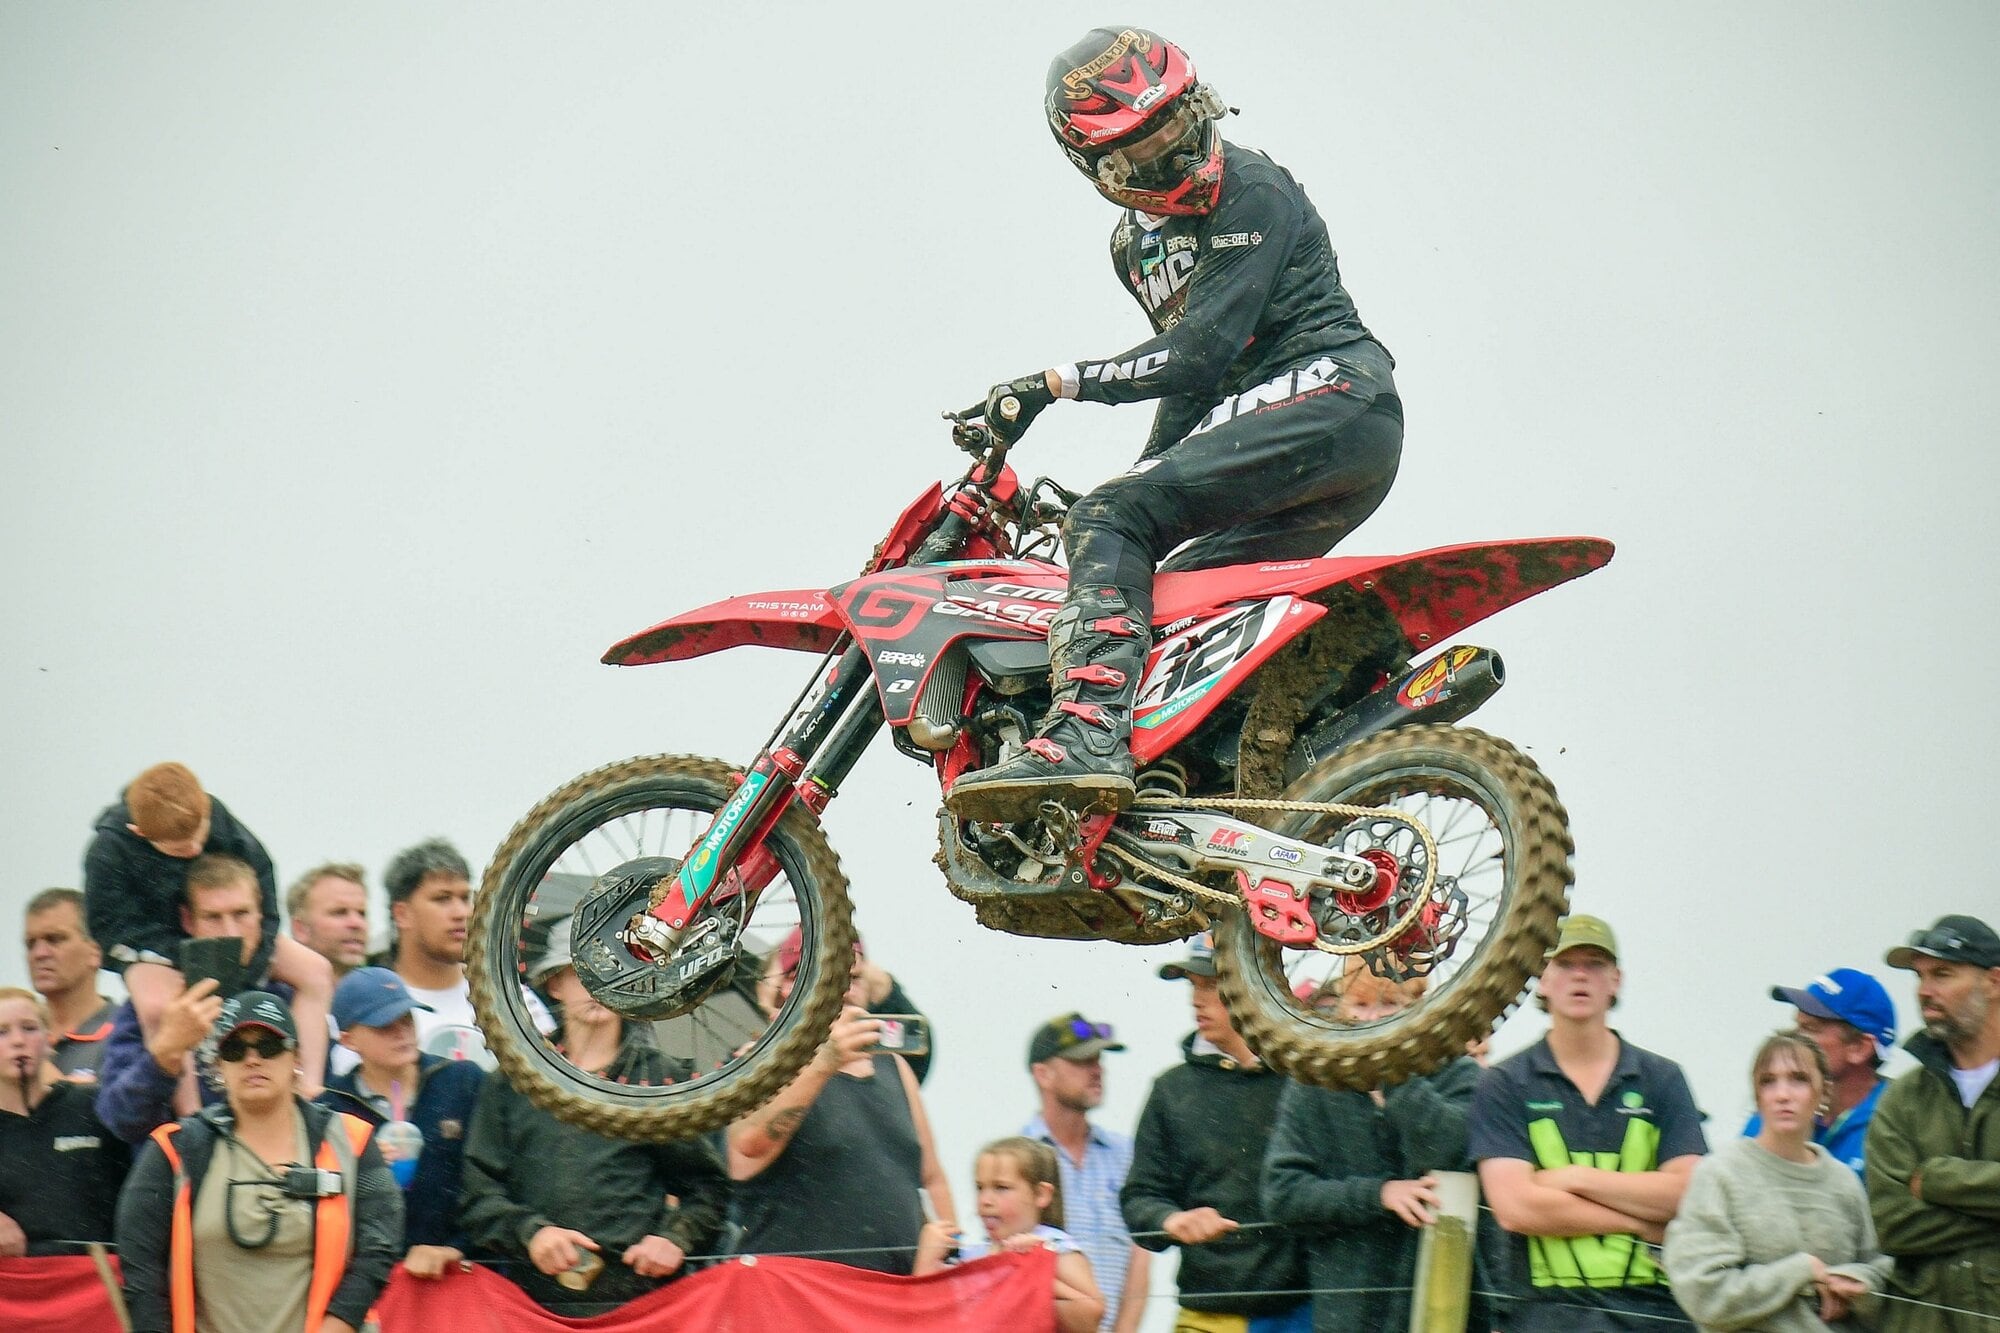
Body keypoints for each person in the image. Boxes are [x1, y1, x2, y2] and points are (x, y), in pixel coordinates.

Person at [945, 26, 1402, 822]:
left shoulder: (1253, 185)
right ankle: (1245, 762)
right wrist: (1130, 485)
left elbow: (1197, 354)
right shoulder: (1133, 247)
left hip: (1333, 392)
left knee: (1115, 517)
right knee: (1175, 589)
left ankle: (1086, 735)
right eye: (1152, 150)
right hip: (1302, 428)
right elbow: (1198, 392)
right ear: (1102, 170)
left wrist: (1059, 384)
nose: (1183, 156)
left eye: (1182, 127)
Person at [460, 923, 726, 1312]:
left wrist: (674, 1239)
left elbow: (709, 1190)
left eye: (617, 969)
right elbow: (477, 1195)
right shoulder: (513, 1083)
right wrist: (532, 1235)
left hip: (640, 1308)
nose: (601, 984)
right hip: (533, 1312)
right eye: (586, 970)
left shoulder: (659, 1081)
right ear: (554, 985)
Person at [1470, 914, 1709, 1330]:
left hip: (1656, 1316)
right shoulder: (1505, 1083)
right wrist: (1640, 1220)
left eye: (1595, 964)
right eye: (1564, 964)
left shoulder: (1663, 1079)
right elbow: (1516, 1208)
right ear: (1541, 979)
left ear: (1616, 980)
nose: (1580, 975)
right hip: (1544, 1317)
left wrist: (1572, 1178)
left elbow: (1687, 1192)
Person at [115, 990, 400, 1333]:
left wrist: (337, 1325)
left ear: (295, 1057)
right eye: (235, 1050)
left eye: (268, 1046)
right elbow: (141, 1272)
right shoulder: (173, 1149)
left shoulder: (353, 1141)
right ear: (218, 1065)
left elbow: (380, 1247)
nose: (252, 1060)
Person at [83, 763, 334, 1095]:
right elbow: (106, 931)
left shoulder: (214, 813)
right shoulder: (108, 853)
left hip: (222, 921)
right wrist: (176, 956)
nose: (195, 850)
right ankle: (189, 1114)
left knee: (317, 971)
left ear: (203, 806)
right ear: (140, 832)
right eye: (180, 848)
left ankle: (307, 1087)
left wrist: (251, 963)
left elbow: (264, 887)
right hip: (150, 944)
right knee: (159, 1007)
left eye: (199, 835)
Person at [1262, 963, 1485, 1333]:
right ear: (1341, 1007)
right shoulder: (1313, 1085)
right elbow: (1281, 1195)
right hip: (1349, 1317)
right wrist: (1378, 1194)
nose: (1373, 1021)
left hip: (1445, 1311)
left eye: (1388, 1007)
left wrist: (1394, 1078)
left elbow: (1446, 1153)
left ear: (1417, 1009)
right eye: (1361, 1006)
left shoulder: (1459, 1073)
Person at [728, 943, 954, 1275]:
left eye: (856, 977)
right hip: (801, 1295)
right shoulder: (759, 1060)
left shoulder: (894, 1066)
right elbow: (747, 1146)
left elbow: (932, 1178)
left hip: (891, 1294)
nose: (846, 989)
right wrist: (823, 1063)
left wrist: (951, 1252)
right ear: (788, 989)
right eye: (831, 977)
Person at [1123, 935, 1309, 1331]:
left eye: (1211, 984)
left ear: (1259, 987)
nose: (1196, 999)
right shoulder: (1171, 1090)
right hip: (1207, 1312)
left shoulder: (1305, 1082)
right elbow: (1140, 1198)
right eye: (1193, 984)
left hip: (1301, 1313)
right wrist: (1172, 1220)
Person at [1664, 1031, 1891, 1331]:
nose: (1783, 1094)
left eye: (1798, 1079)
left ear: (1823, 1092)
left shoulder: (1843, 1182)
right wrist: (1801, 1271)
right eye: (1768, 1081)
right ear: (1757, 1096)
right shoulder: (1720, 1173)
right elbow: (1703, 1292)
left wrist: (1857, 1284)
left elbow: (1882, 1272)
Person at [1865, 913, 2000, 1330]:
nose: (1925, 991)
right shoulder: (1902, 1100)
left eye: (1943, 973)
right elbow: (1893, 1225)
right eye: (1920, 977)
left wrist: (1937, 1180)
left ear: (1994, 982)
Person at [95, 855, 274, 1143]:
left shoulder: (286, 997)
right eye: (213, 917)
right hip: (185, 1177)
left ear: (260, 914)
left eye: (241, 914)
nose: (230, 931)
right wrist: (167, 1051)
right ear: (188, 920)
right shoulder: (149, 1004)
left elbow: (325, 1100)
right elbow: (119, 1118)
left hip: (279, 1176)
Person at [322, 966, 483, 1280]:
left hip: (460, 1274)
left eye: (408, 1018)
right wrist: (363, 1166)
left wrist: (457, 1247)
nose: (402, 1032)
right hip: (370, 1283)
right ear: (348, 1039)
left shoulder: (462, 1081)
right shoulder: (331, 1108)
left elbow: (492, 1179)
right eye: (384, 1025)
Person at [1024, 1012, 1148, 1333]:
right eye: (1081, 1061)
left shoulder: (1126, 1154)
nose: (1097, 1070)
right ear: (1043, 1074)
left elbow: (1141, 1256)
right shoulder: (1018, 1160)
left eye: (1098, 1060)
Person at [381, 838, 551, 1060]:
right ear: (402, 914)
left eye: (465, 898)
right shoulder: (376, 1009)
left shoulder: (515, 1001)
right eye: (442, 899)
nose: (462, 913)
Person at [915, 1136, 1106, 1333]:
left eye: (1001, 1188)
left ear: (1041, 1195)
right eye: (980, 1188)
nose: (985, 1200)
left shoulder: (1056, 1246)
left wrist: (1034, 1267)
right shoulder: (971, 1256)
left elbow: (1090, 1316)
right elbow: (925, 1318)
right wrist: (926, 1261)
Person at [0, 986, 129, 1256]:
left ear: (49, 1040)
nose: (18, 1041)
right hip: (16, 1289)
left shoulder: (93, 1104)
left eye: (29, 1028)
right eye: (2, 1032)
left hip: (98, 1279)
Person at [1742, 966, 1897, 1182]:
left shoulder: (1899, 1122)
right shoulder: (1775, 1112)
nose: (1795, 1040)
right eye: (1797, 1026)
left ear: (1859, 1048)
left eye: (1811, 1029)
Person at [758, 926, 937, 1083]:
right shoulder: (752, 1071)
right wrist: (767, 992)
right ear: (785, 989)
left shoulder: (889, 1068)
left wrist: (879, 981)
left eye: (854, 978)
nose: (843, 991)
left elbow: (920, 1049)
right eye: (826, 980)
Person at [22, 887, 116, 1078]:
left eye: (54, 939)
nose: (39, 954)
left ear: (95, 952)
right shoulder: (13, 1035)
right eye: (31, 944)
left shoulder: (127, 1033)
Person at [286, 863, 372, 979]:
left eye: (362, 914)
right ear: (300, 929)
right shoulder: (272, 995)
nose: (357, 924)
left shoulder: (387, 992)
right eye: (339, 912)